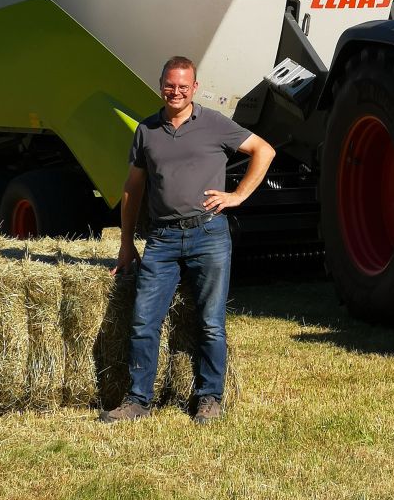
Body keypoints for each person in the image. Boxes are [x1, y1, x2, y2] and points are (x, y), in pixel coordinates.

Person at [101, 56, 275, 424]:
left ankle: (209, 398)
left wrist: (238, 196)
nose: (176, 92)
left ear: (194, 88)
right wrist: (126, 241)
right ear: (160, 84)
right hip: (161, 239)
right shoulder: (146, 130)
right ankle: (137, 401)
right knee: (144, 321)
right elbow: (133, 188)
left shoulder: (214, 124)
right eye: (170, 85)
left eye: (183, 86)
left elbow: (265, 150)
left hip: (208, 234)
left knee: (211, 322)